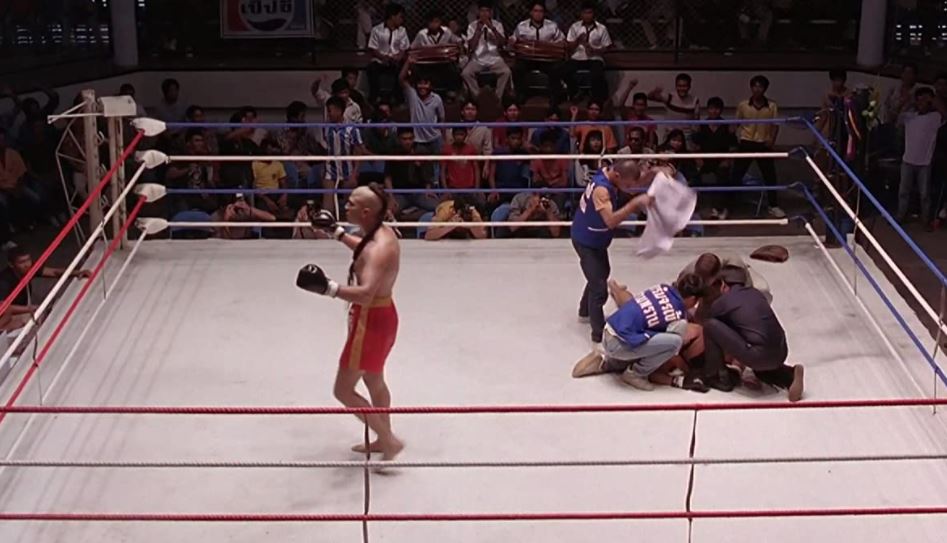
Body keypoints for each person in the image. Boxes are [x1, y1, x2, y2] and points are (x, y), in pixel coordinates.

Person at [296, 184, 405, 460]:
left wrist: (328, 288)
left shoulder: (378, 249)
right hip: (382, 316)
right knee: (374, 380)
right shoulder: (381, 233)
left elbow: (366, 293)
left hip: (370, 321)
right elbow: (364, 250)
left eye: (351, 203)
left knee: (343, 390)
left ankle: (389, 441)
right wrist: (337, 233)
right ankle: (383, 438)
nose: (345, 206)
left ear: (366, 212)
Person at [571, 273, 708, 391]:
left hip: (610, 329)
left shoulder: (662, 288)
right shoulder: (678, 317)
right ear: (692, 299)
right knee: (674, 342)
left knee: (646, 340)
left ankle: (605, 360)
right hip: (619, 343)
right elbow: (668, 350)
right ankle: (635, 374)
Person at [571, 160, 656, 349]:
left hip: (596, 238)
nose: (630, 189)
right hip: (586, 240)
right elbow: (610, 221)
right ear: (617, 176)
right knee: (599, 288)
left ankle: (584, 311)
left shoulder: (609, 172)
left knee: (600, 274)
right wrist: (634, 204)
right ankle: (598, 335)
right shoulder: (601, 190)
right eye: (627, 185)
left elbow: (632, 180)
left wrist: (654, 174)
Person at [700, 267, 804, 401]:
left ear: (723, 285)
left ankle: (716, 376)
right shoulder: (756, 294)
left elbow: (710, 323)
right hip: (781, 351)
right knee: (761, 369)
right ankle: (789, 375)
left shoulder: (723, 301)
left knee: (710, 325)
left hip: (757, 355)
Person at [730, 75, 783, 218]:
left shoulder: (772, 106)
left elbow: (775, 125)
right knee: (736, 175)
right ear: (751, 87)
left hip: (763, 143)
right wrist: (733, 142)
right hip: (746, 142)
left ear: (765, 89)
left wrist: (772, 140)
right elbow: (736, 124)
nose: (757, 89)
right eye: (755, 86)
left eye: (760, 86)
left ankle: (773, 205)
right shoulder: (743, 105)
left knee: (770, 176)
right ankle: (727, 206)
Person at [898, 87, 945, 230]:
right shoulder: (910, 116)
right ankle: (900, 217)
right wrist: (910, 101)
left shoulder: (935, 117)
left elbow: (945, 113)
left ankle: (925, 221)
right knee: (903, 192)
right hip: (907, 160)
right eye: (920, 99)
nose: (922, 102)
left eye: (925, 100)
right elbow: (895, 116)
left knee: (924, 195)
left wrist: (932, 99)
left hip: (925, 162)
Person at [462, 0, 512, 99]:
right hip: (477, 59)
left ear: (491, 13)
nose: (484, 14)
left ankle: (497, 98)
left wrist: (492, 28)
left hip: (495, 58)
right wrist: (477, 31)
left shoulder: (497, 25)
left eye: (487, 11)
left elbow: (503, 43)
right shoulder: (472, 26)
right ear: (478, 12)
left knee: (506, 72)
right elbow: (471, 47)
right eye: (482, 11)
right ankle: (478, 98)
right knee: (466, 73)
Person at [564, 1, 612, 103]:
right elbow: (569, 47)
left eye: (589, 13)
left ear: (594, 14)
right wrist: (578, 40)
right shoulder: (575, 27)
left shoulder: (602, 28)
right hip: (577, 57)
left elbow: (606, 48)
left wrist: (595, 50)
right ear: (581, 14)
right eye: (585, 13)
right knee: (565, 71)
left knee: (597, 74)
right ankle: (576, 92)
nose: (587, 15)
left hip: (594, 58)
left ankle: (595, 98)